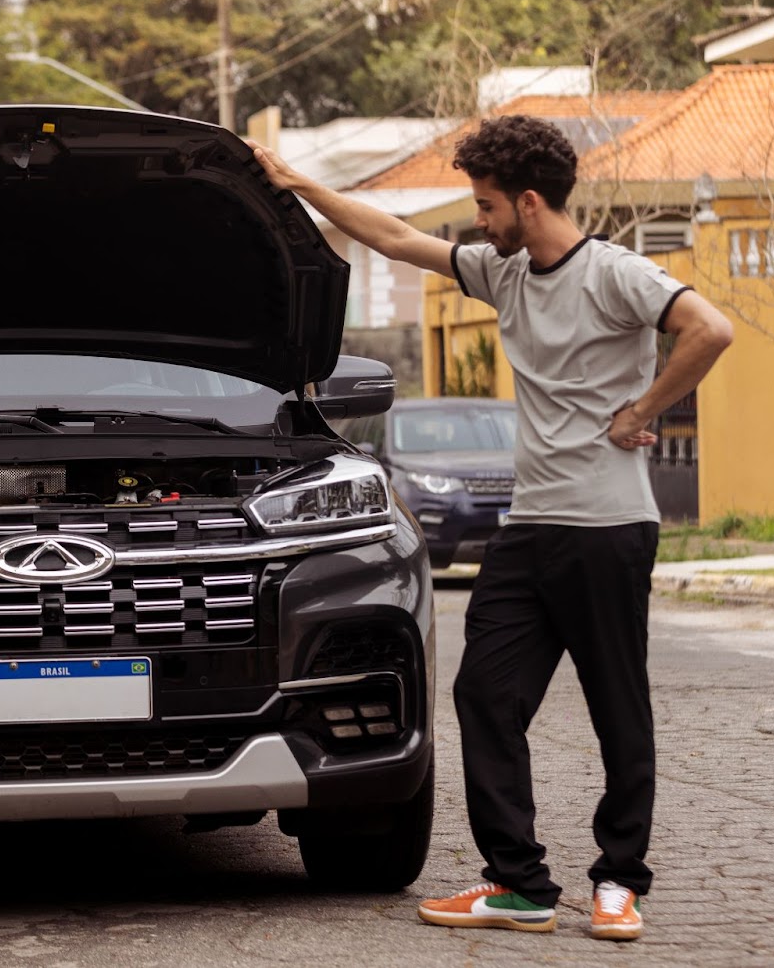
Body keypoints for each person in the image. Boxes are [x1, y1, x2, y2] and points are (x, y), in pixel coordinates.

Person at [251, 116, 733, 941]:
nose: (477, 218)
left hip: (608, 525)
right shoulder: (504, 272)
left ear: (530, 201)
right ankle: (519, 880)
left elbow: (710, 328)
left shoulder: (614, 273)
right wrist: (299, 185)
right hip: (531, 528)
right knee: (483, 692)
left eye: (485, 203)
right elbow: (398, 238)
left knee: (617, 703)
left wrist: (644, 409)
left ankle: (620, 879)